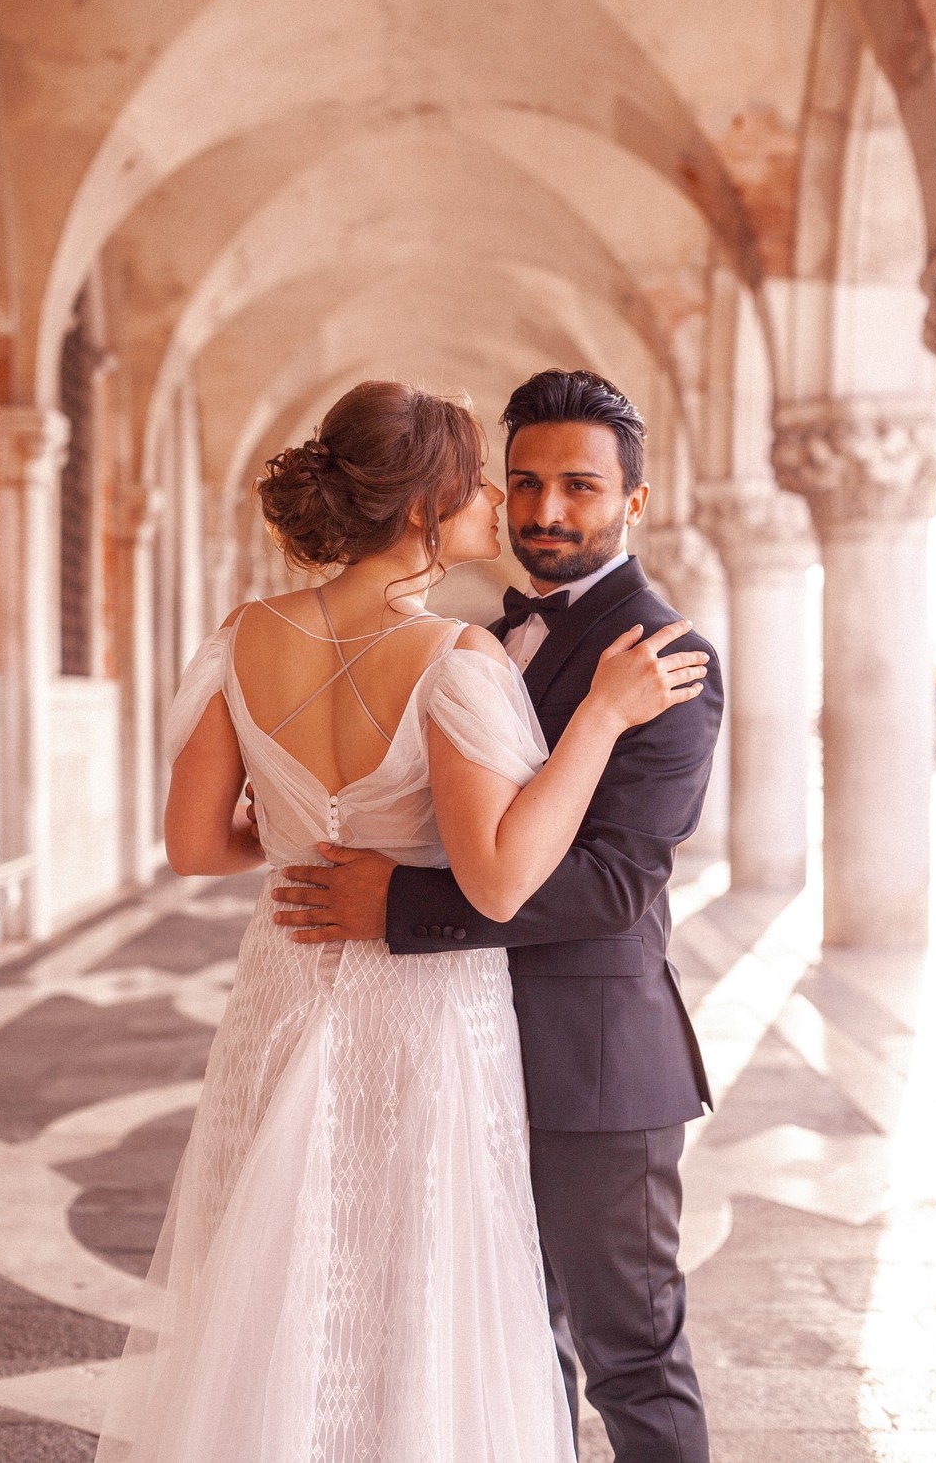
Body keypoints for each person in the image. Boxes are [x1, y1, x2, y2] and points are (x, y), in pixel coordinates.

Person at [93, 379, 708, 1463]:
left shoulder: (243, 634)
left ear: (633, 500)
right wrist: (599, 720)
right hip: (425, 1022)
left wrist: (302, 844)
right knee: (431, 1314)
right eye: (497, 480)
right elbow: (503, 879)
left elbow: (193, 847)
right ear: (428, 508)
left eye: (569, 486)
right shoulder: (452, 656)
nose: (518, 505)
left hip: (289, 996)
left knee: (299, 1296)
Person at [270, 370, 724, 1463]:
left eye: (578, 485)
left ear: (635, 501)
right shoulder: (471, 635)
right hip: (456, 1044)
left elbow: (618, 882)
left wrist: (403, 904)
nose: (545, 512)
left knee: (631, 1356)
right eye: (522, 483)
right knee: (509, 1349)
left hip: (593, 1068)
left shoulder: (664, 661)